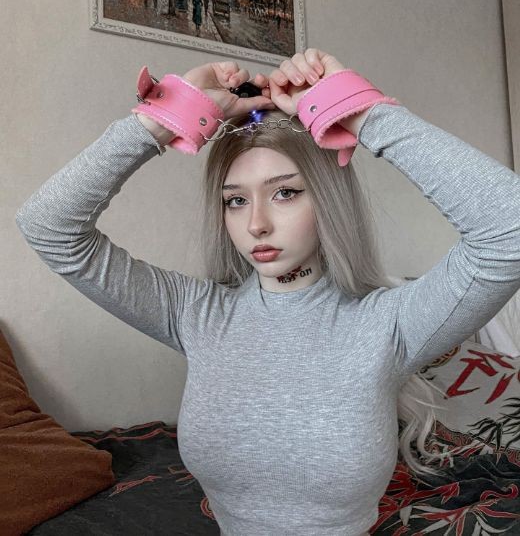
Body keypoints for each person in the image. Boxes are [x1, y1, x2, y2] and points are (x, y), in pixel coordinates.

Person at [15, 49, 520, 535]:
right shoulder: (196, 314)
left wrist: (359, 112)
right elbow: (48, 226)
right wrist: (169, 115)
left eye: (285, 192)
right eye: (235, 201)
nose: (256, 223)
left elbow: (509, 229)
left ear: (326, 199)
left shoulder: (388, 325)